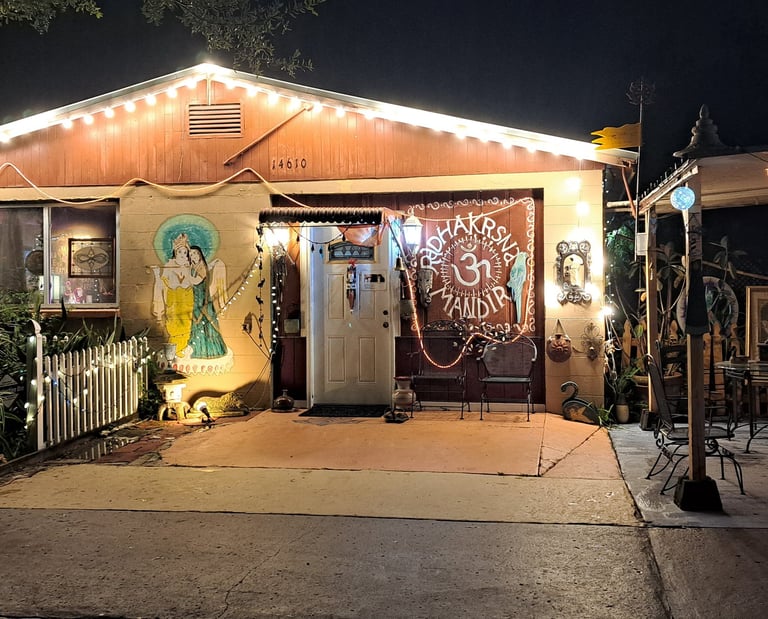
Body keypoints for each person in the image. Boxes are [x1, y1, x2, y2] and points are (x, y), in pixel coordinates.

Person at [152, 233, 194, 356]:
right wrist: (157, 276)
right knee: (173, 321)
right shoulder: (169, 265)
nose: (182, 255)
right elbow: (164, 281)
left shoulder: (189, 266)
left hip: (187, 298)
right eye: (180, 252)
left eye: (185, 252)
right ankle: (174, 347)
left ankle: (184, 346)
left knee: (187, 321)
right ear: (175, 252)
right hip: (173, 298)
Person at [186, 245, 227, 359]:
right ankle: (198, 349)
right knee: (197, 325)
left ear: (199, 255)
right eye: (191, 254)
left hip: (202, 301)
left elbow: (195, 281)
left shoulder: (202, 267)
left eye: (194, 253)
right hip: (195, 300)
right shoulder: (193, 267)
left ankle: (209, 351)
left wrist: (185, 273)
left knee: (204, 325)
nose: (192, 256)